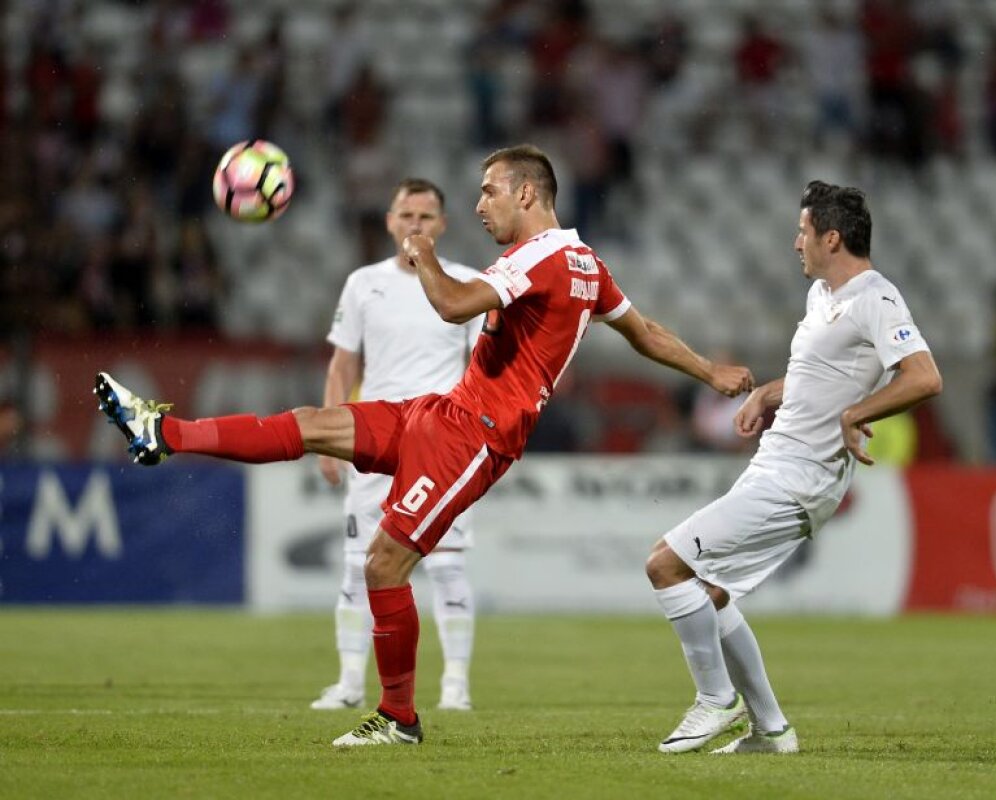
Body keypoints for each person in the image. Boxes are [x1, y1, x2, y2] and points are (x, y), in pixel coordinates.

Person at [93, 143, 755, 748]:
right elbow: (645, 331)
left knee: (383, 564)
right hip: (443, 412)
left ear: (527, 193)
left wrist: (423, 254)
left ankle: (399, 717)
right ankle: (162, 433)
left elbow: (452, 305)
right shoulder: (584, 262)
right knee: (314, 421)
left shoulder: (539, 256)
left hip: (476, 437)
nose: (478, 204)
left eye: (490, 190)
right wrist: (710, 370)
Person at [645, 181, 942, 755]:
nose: (795, 242)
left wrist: (859, 411)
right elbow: (821, 380)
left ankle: (716, 700)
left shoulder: (875, 299)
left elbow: (923, 376)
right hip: (776, 461)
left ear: (831, 237)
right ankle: (772, 731)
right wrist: (769, 395)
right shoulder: (822, 298)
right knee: (710, 590)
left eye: (803, 231)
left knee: (665, 566)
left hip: (802, 476)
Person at [309, 178, 484, 714]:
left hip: (442, 444)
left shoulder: (469, 284)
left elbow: (484, 369)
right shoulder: (363, 284)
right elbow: (343, 364)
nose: (415, 225)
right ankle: (349, 683)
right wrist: (328, 438)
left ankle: (455, 685)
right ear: (389, 221)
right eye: (406, 215)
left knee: (446, 565)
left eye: (426, 217)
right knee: (358, 563)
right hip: (373, 438)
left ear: (443, 224)